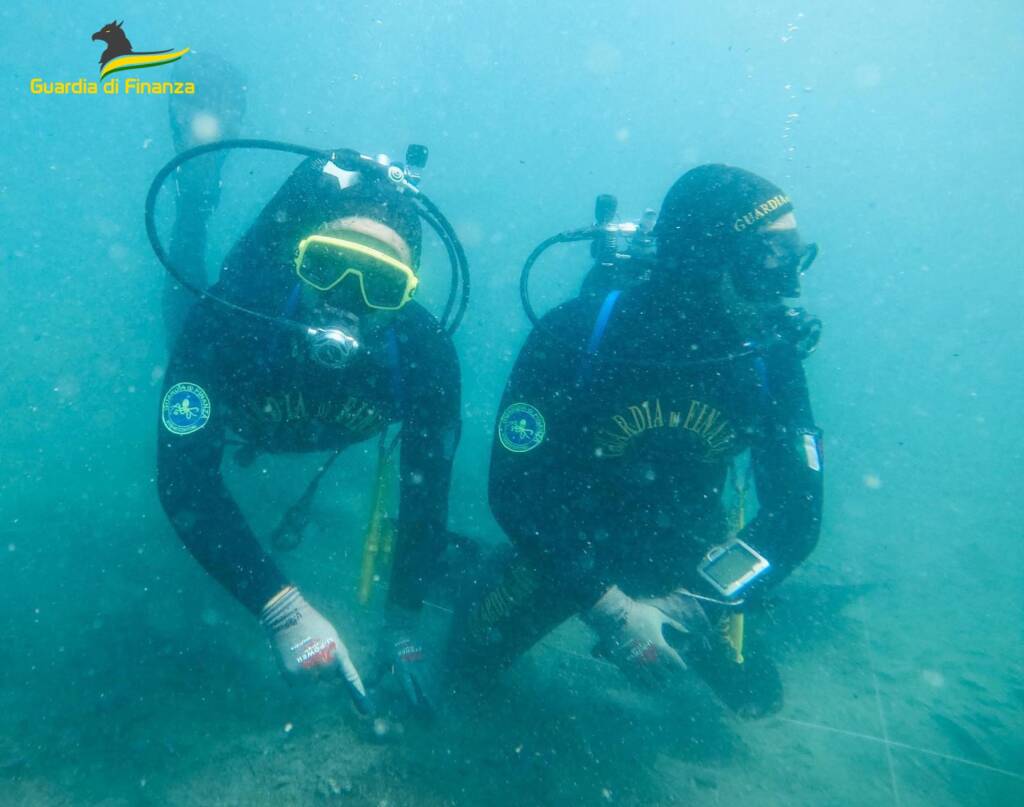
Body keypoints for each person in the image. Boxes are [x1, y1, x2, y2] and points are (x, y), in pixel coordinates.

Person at [453, 164, 824, 718]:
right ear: (703, 258)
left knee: (755, 699)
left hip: (691, 555)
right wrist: (611, 611)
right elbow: (513, 491)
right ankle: (470, 567)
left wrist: (693, 603)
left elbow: (797, 514)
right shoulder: (575, 334)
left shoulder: (769, 357)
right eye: (767, 258)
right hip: (567, 543)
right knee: (463, 669)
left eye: (792, 256)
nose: (788, 285)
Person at [155, 148, 461, 719]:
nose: (347, 299)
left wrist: (403, 621)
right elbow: (183, 480)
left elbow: (426, 496)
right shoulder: (234, 314)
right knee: (183, 302)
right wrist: (281, 608)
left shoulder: (425, 355)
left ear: (406, 297)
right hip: (242, 394)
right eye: (327, 267)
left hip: (285, 420)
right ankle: (196, 200)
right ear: (298, 259)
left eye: (381, 286)